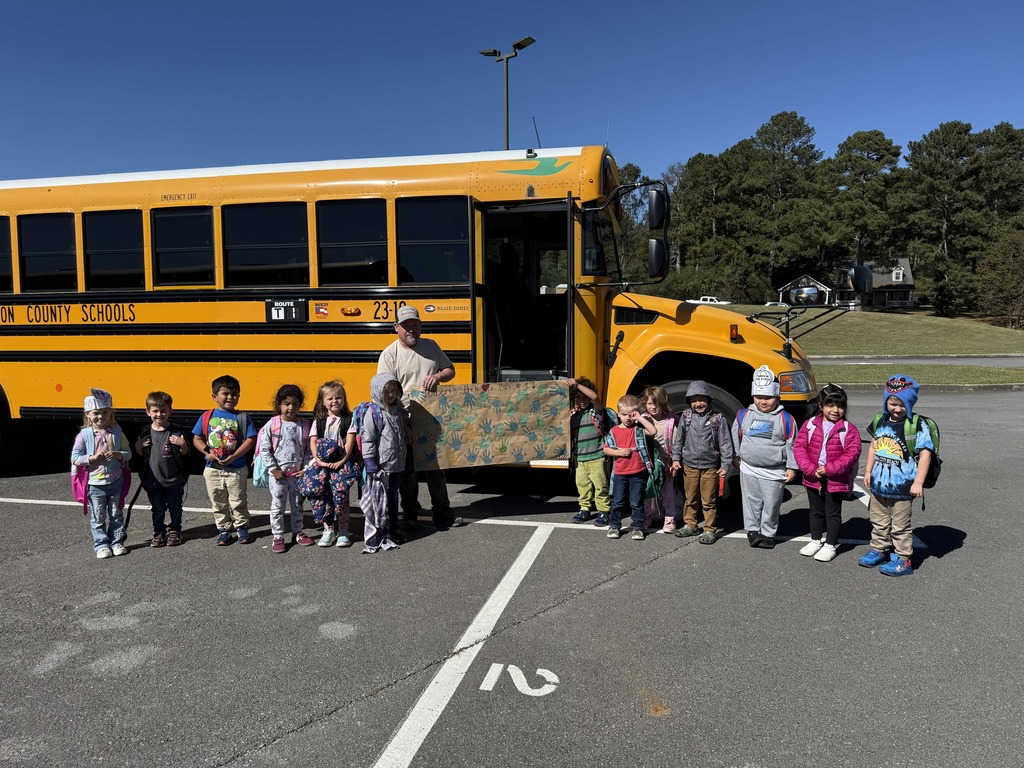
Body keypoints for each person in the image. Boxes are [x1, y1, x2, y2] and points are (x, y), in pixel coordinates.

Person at [376, 305, 461, 531]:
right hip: (405, 419)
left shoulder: (431, 346)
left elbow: (450, 370)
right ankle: (410, 513)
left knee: (436, 468)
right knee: (408, 471)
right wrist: (402, 425)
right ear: (396, 327)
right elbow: (386, 394)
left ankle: (442, 512)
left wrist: (438, 376)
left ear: (420, 325)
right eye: (406, 326)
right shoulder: (389, 355)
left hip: (433, 419)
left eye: (415, 324)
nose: (411, 329)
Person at [858, 374, 933, 576]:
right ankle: (879, 549)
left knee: (900, 526)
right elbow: (873, 447)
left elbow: (925, 454)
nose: (897, 409)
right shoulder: (880, 420)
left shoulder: (917, 425)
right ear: (886, 402)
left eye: (902, 405)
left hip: (903, 486)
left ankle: (903, 559)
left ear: (910, 403)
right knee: (878, 521)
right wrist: (867, 471)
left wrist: (918, 483)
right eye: (893, 404)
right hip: (879, 484)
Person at [793, 384, 862, 562]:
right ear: (820, 405)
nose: (835, 410)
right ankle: (816, 540)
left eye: (840, 405)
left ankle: (830, 544)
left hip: (836, 478)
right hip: (813, 476)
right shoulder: (809, 425)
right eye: (830, 405)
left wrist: (830, 468)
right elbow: (799, 447)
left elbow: (852, 453)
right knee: (815, 511)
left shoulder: (848, 429)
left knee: (832, 512)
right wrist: (809, 469)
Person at [731, 366, 797, 549]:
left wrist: (792, 467)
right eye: (759, 397)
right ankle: (752, 530)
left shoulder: (786, 419)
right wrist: (735, 456)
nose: (763, 401)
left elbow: (792, 444)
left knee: (771, 504)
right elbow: (735, 435)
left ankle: (768, 533)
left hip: (774, 471)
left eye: (768, 397)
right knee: (751, 502)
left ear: (777, 397)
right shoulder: (744, 415)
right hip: (748, 468)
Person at [192, 375, 257, 546]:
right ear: (215, 396)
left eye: (234, 394)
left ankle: (241, 527)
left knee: (238, 500)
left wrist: (234, 456)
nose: (230, 397)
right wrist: (207, 452)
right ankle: (224, 529)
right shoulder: (207, 416)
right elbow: (197, 439)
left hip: (237, 467)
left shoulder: (242, 417)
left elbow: (250, 439)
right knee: (218, 500)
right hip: (213, 467)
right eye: (225, 394)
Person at [670, 381, 734, 545]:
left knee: (708, 500)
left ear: (709, 400)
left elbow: (725, 444)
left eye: (701, 400)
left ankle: (709, 529)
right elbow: (679, 440)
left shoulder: (717, 418)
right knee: (690, 498)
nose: (698, 403)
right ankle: (690, 525)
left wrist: (725, 465)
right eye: (694, 400)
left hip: (710, 467)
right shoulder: (686, 416)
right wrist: (676, 459)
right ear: (689, 402)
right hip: (689, 465)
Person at [72, 388, 133, 559]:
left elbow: (128, 453)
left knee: (116, 513)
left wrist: (118, 455)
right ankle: (101, 545)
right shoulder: (84, 435)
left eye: (105, 412)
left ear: (111, 412)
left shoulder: (117, 432)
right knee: (98, 516)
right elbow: (75, 458)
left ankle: (117, 542)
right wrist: (91, 458)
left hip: (116, 480)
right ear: (87, 414)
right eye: (96, 413)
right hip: (95, 483)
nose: (101, 416)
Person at [261, 384, 315, 554]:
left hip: (297, 475)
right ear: (279, 404)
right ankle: (278, 535)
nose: (291, 407)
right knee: (278, 506)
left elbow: (309, 450)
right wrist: (274, 470)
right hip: (278, 476)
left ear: (300, 405)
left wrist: (305, 469)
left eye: (295, 404)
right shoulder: (273, 424)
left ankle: (297, 531)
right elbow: (264, 449)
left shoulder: (305, 426)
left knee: (297, 505)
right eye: (286, 403)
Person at [308, 380, 359, 548]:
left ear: (344, 399)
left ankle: (343, 531)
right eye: (330, 398)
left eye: (338, 397)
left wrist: (342, 461)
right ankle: (328, 530)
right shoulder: (319, 421)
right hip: (322, 465)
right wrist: (319, 460)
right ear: (322, 402)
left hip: (341, 465)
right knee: (324, 498)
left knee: (342, 498)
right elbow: (313, 442)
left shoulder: (348, 420)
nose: (335, 401)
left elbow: (350, 443)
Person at [134, 391, 189, 548]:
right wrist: (138, 446)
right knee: (157, 509)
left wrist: (182, 444)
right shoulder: (145, 432)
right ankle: (159, 532)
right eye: (155, 411)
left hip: (174, 479)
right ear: (148, 412)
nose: (159, 414)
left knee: (175, 507)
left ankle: (175, 530)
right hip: (153, 480)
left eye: (163, 411)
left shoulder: (176, 430)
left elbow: (185, 454)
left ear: (170, 411)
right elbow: (140, 456)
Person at [360, 373, 408, 553]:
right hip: (382, 464)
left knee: (393, 496)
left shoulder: (396, 410)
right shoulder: (374, 413)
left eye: (393, 390)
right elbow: (368, 439)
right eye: (386, 391)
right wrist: (370, 462)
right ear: (377, 392)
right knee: (380, 499)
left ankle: (394, 526)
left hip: (396, 463)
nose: (390, 395)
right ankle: (381, 528)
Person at [603, 394, 659, 540]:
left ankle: (637, 527)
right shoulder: (614, 431)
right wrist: (618, 452)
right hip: (620, 473)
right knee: (618, 501)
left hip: (638, 472)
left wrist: (639, 418)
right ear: (618, 414)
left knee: (637, 501)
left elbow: (653, 431)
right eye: (623, 414)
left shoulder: (638, 429)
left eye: (631, 415)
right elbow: (606, 449)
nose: (627, 418)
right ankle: (614, 525)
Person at [567, 376, 615, 526]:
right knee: (583, 486)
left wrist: (577, 385)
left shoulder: (595, 412)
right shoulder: (573, 415)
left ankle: (603, 511)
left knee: (600, 486)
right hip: (580, 458)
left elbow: (594, 397)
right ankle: (584, 509)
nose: (582, 400)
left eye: (584, 397)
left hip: (597, 457)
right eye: (578, 397)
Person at [640, 385, 678, 533]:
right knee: (648, 491)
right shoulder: (643, 420)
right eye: (650, 403)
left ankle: (669, 518)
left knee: (668, 492)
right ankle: (648, 515)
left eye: (657, 403)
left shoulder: (671, 422)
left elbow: (676, 444)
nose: (653, 407)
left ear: (663, 403)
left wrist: (674, 462)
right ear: (645, 404)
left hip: (665, 462)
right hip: (648, 462)